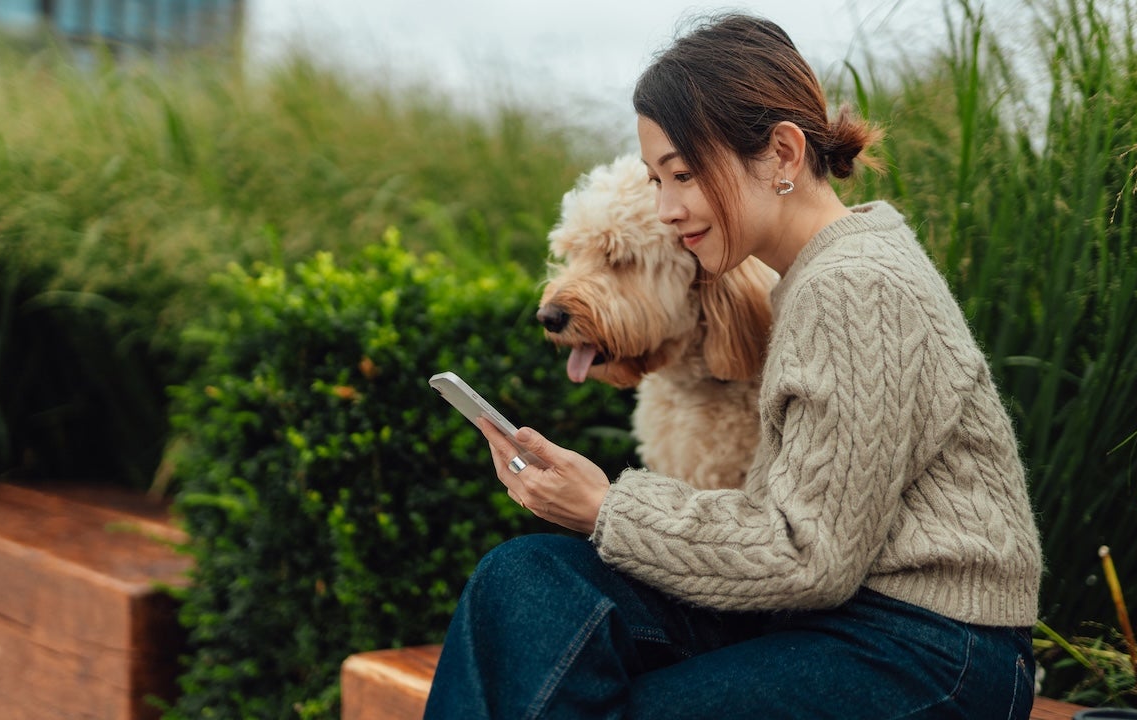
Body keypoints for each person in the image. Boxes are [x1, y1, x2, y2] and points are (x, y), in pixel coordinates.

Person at [424, 12, 1043, 719]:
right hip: (830, 618)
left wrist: (603, 505)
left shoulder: (856, 285)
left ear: (781, 153)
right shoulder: (812, 278)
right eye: (657, 179)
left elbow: (809, 554)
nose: (666, 209)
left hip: (933, 651)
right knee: (525, 580)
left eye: (681, 174)